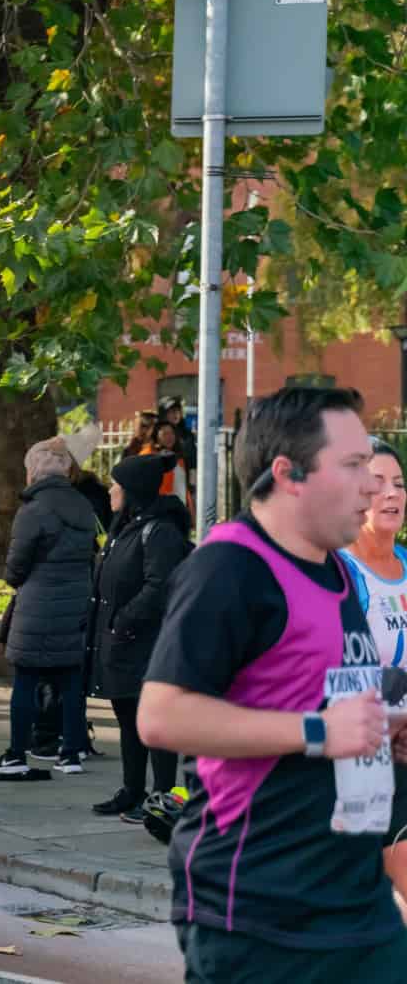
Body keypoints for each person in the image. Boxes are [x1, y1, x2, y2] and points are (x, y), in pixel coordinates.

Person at [138, 387, 407, 979]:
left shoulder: (335, 567)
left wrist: (382, 730)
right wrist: (319, 730)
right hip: (260, 905)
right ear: (289, 474)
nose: (373, 485)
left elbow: (317, 699)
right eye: (355, 466)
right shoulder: (229, 568)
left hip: (353, 893)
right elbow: (161, 715)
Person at [0, 437, 101, 778]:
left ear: (33, 470)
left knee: (25, 681)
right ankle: (70, 754)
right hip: (76, 603)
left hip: (36, 606)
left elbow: (16, 567)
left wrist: (16, 579)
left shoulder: (32, 509)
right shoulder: (84, 507)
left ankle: (17, 753)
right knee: (71, 681)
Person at [88, 451, 190, 820]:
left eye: (117, 484)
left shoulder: (159, 530)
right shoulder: (124, 526)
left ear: (133, 490)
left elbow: (159, 584)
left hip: (147, 643)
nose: (111, 490)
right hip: (121, 643)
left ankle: (163, 796)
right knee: (128, 719)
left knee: (154, 722)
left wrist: (124, 619)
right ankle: (133, 789)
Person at [337, 437, 407, 910]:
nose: (391, 493)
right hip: (368, 763)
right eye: (377, 482)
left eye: (399, 483)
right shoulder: (338, 572)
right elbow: (337, 672)